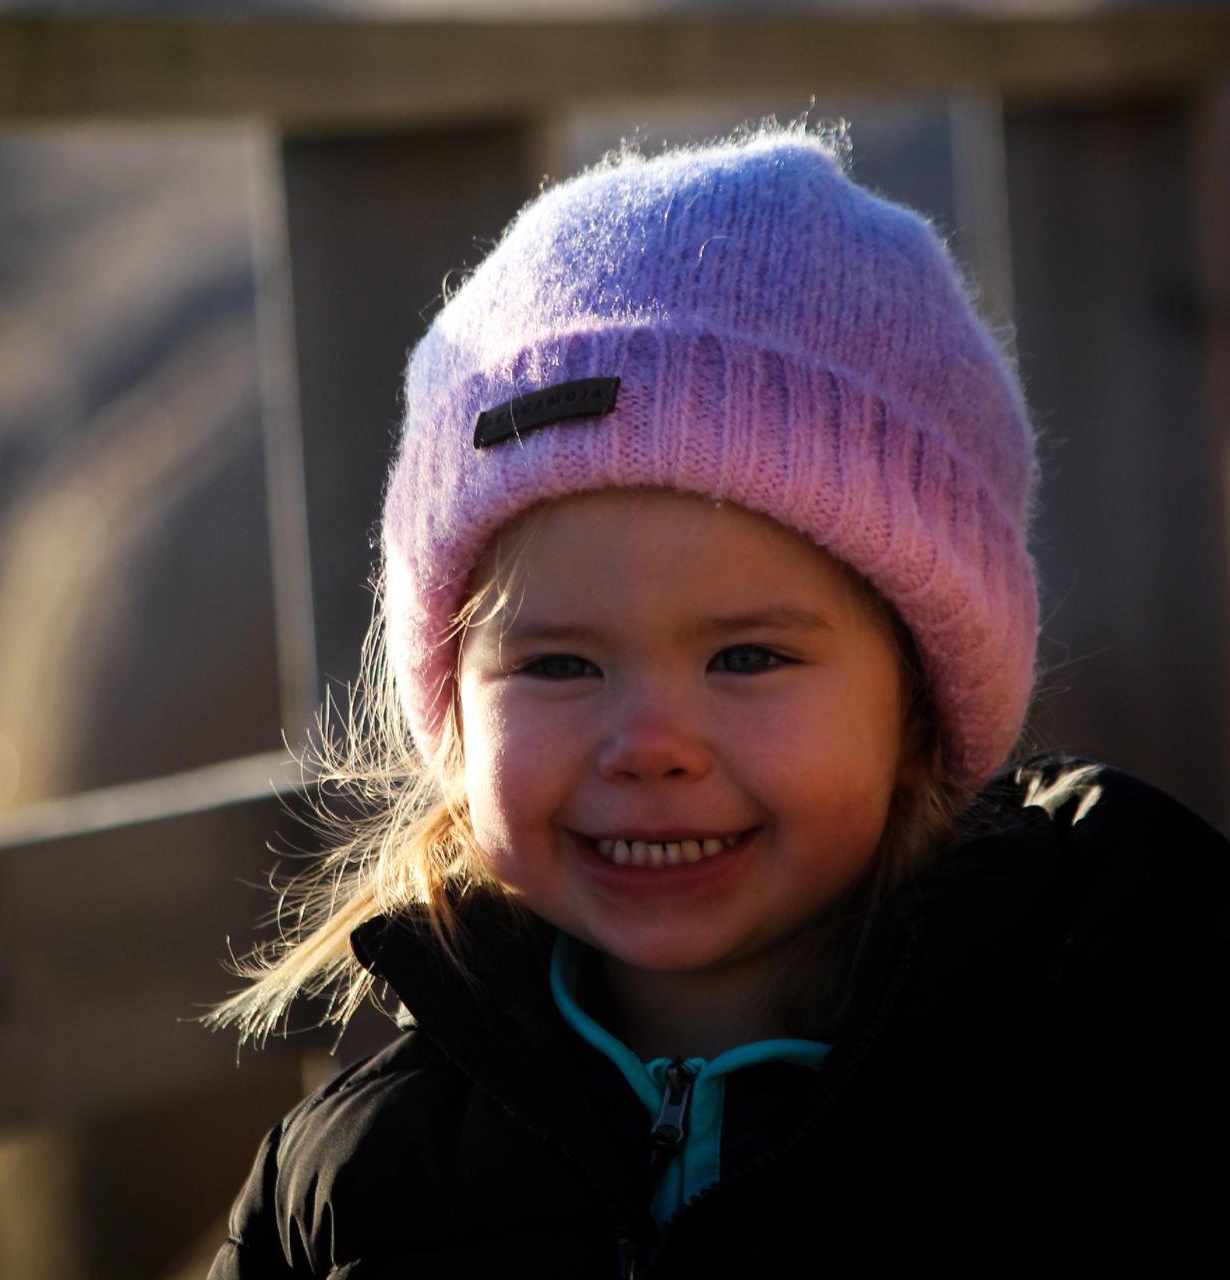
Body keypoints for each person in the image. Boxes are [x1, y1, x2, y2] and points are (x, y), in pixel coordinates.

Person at [208, 129, 1227, 1277]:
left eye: (745, 658)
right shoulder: (360, 1177)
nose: (648, 745)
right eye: (557, 665)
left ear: (919, 703)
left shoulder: (1122, 1058)